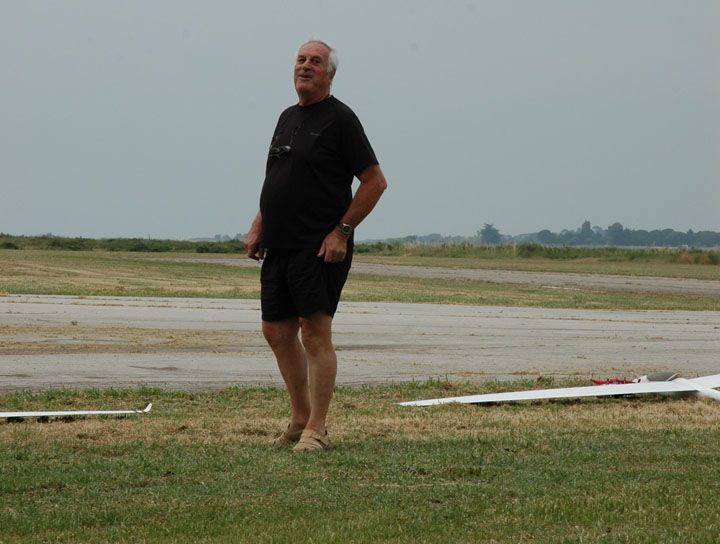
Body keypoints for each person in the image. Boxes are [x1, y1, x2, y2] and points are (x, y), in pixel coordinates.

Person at [243, 39, 388, 452]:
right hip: (279, 245)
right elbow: (276, 180)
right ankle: (299, 418)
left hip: (319, 247)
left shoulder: (341, 119)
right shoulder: (287, 117)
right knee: (276, 331)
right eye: (301, 60)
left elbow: (375, 182)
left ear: (330, 73)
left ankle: (317, 429)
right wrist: (258, 225)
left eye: (315, 61)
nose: (305, 66)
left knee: (314, 333)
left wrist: (341, 232)